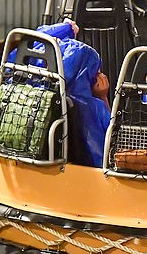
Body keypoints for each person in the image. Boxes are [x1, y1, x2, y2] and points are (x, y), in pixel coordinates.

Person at [8, 20, 111, 167]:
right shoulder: (93, 107)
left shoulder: (20, 92)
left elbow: (37, 37)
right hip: (86, 171)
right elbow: (114, 135)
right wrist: (102, 96)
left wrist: (65, 28)